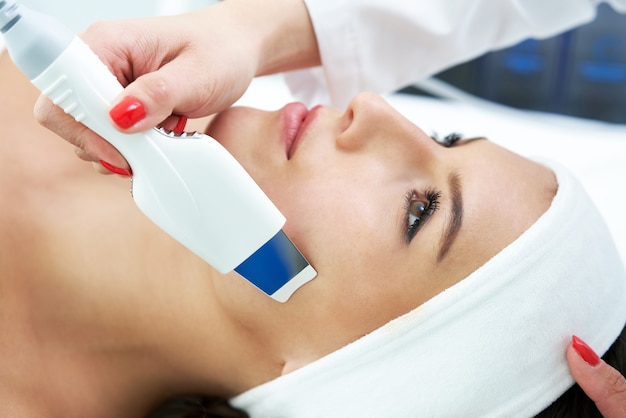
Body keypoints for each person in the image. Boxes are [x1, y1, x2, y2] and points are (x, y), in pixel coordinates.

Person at [2, 0, 626, 416]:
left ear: (342, 376)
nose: (377, 109)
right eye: (446, 139)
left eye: (420, 211)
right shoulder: (129, 45)